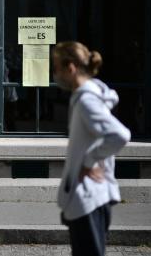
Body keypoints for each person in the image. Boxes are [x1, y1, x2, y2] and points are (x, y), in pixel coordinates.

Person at [52, 41, 131, 256]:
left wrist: (88, 162)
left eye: (56, 67)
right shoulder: (88, 96)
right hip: (90, 196)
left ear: (71, 67)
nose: (55, 73)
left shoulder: (87, 100)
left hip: (89, 197)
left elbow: (120, 135)